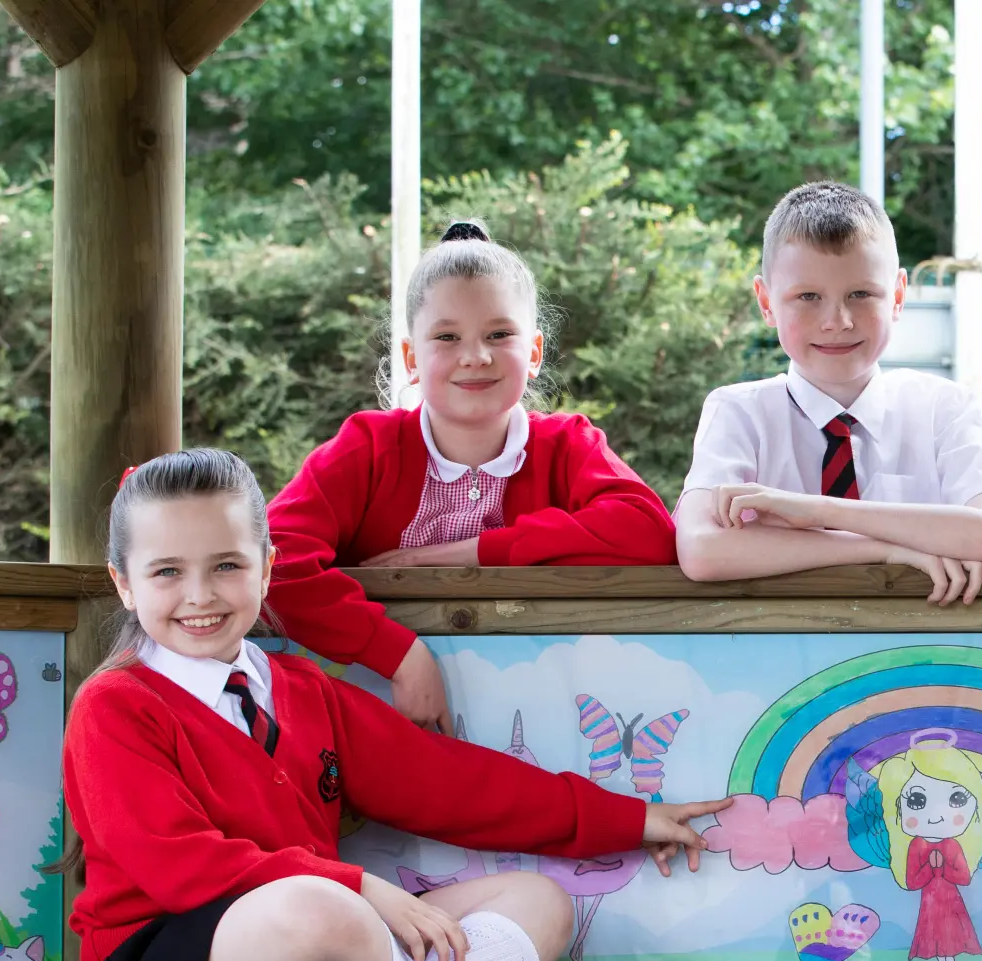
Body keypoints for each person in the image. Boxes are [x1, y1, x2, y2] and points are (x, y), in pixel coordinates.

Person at [65, 450, 724, 961]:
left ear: (266, 566)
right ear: (124, 583)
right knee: (316, 908)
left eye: (226, 565)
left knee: (541, 900)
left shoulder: (303, 690)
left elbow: (450, 783)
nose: (201, 594)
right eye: (167, 572)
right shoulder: (114, 706)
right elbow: (184, 865)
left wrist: (631, 818)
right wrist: (362, 886)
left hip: (331, 955)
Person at [265, 219, 677, 733]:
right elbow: (271, 560)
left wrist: (473, 553)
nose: (475, 356)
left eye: (499, 334)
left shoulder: (568, 445)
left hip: (538, 719)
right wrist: (397, 654)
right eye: (447, 336)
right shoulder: (366, 448)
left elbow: (647, 531)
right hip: (374, 720)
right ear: (411, 359)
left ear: (534, 351)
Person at [674, 181, 982, 604]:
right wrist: (885, 548)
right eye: (807, 296)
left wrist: (816, 512)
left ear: (897, 295)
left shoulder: (942, 408)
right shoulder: (738, 411)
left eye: (861, 294)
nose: (837, 321)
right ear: (766, 302)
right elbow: (700, 548)